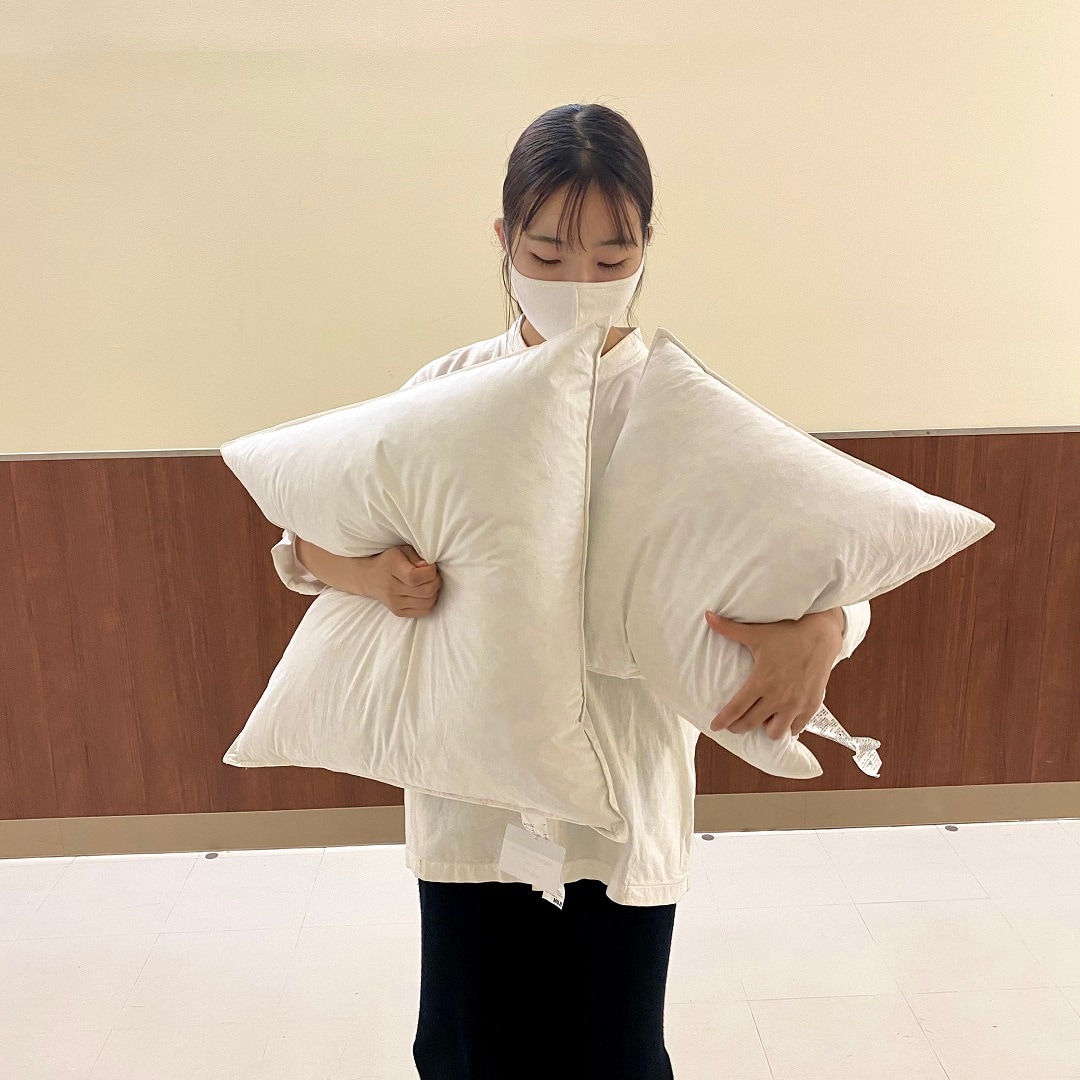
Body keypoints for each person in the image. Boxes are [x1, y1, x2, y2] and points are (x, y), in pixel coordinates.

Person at [271, 102, 871, 1080]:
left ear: (647, 247)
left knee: (617, 1056)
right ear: (504, 241)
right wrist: (372, 575)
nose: (579, 284)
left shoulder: (689, 413)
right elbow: (303, 547)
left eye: (610, 256)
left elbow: (830, 557)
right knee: (466, 1050)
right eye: (547, 254)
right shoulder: (443, 394)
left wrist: (830, 626)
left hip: (621, 801)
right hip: (475, 800)